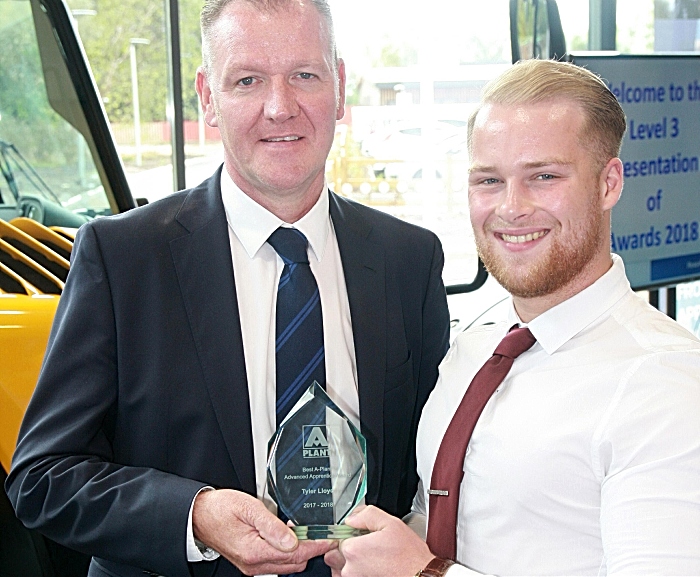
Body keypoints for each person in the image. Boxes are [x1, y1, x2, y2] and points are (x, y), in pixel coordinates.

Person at [4, 1, 450, 576]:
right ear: (208, 96)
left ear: (339, 88)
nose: (280, 107)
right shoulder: (123, 259)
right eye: (248, 80)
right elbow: (43, 477)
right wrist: (193, 517)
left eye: (304, 76)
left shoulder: (408, 260)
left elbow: (434, 470)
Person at [325, 59, 700, 577]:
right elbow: (442, 524)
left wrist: (423, 574)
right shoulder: (478, 342)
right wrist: (367, 545)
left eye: (543, 176)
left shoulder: (668, 385)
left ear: (609, 182)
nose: (511, 207)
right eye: (488, 180)